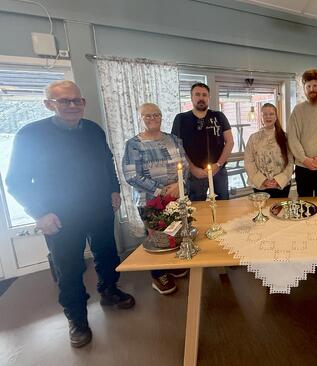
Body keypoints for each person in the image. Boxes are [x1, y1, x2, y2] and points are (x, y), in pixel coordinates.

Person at [6, 80, 135, 348]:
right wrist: (39, 213)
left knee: (108, 255)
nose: (73, 106)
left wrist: (114, 189)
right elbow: (16, 181)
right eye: (65, 101)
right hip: (60, 217)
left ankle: (109, 290)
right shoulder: (30, 135)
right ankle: (77, 319)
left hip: (99, 209)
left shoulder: (93, 130)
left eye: (78, 100)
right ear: (48, 104)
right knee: (70, 269)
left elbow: (107, 162)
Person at [122, 103, 189, 295]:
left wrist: (178, 185)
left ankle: (172, 265)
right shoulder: (133, 144)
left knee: (175, 234)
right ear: (140, 118)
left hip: (176, 196)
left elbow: (184, 165)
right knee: (156, 239)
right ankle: (158, 274)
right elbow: (132, 175)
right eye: (147, 116)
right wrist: (161, 190)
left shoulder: (174, 139)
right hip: (149, 200)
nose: (153, 118)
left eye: (156, 115)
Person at [171, 83, 234, 201]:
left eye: (204, 95)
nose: (201, 98)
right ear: (191, 97)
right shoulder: (181, 119)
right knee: (197, 209)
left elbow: (230, 142)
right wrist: (192, 168)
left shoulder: (219, 116)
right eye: (197, 94)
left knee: (223, 205)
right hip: (195, 174)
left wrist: (218, 165)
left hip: (218, 171)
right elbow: (176, 147)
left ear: (208, 98)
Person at [244, 103, 294, 198]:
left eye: (271, 114)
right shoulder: (253, 138)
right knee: (262, 211)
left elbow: (291, 162)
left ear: (276, 116)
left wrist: (278, 180)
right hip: (261, 186)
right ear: (261, 117)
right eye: (265, 114)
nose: (268, 117)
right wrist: (263, 180)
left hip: (281, 185)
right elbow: (248, 162)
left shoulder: (285, 138)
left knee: (280, 212)